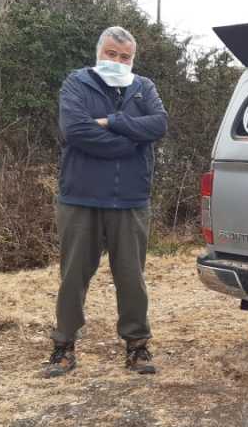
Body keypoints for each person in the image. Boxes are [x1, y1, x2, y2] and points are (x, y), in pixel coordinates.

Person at [44, 26, 168, 377]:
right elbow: (76, 131)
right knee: (73, 278)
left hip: (130, 200)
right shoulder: (77, 84)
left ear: (133, 59)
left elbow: (158, 125)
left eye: (124, 56)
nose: (117, 61)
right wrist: (130, 141)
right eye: (111, 54)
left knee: (132, 278)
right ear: (99, 53)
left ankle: (138, 347)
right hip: (80, 198)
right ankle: (63, 347)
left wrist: (113, 121)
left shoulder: (144, 88)